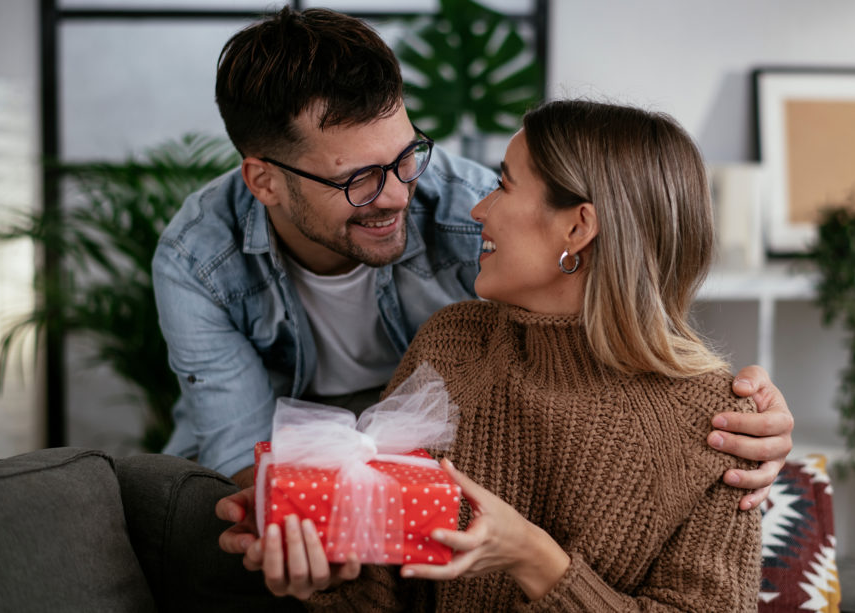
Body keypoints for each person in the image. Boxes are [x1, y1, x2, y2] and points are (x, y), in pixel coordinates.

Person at [154, 7, 791, 501]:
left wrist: (740, 407)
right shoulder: (198, 259)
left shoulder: (467, 208)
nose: (399, 194)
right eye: (358, 181)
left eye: (405, 157)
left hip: (439, 452)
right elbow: (244, 453)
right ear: (264, 180)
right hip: (281, 453)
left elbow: (607, 307)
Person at [228, 100, 764, 610]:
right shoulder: (452, 344)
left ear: (577, 228)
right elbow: (385, 590)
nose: (478, 209)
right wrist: (331, 577)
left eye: (503, 186)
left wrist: (535, 560)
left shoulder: (721, 430)